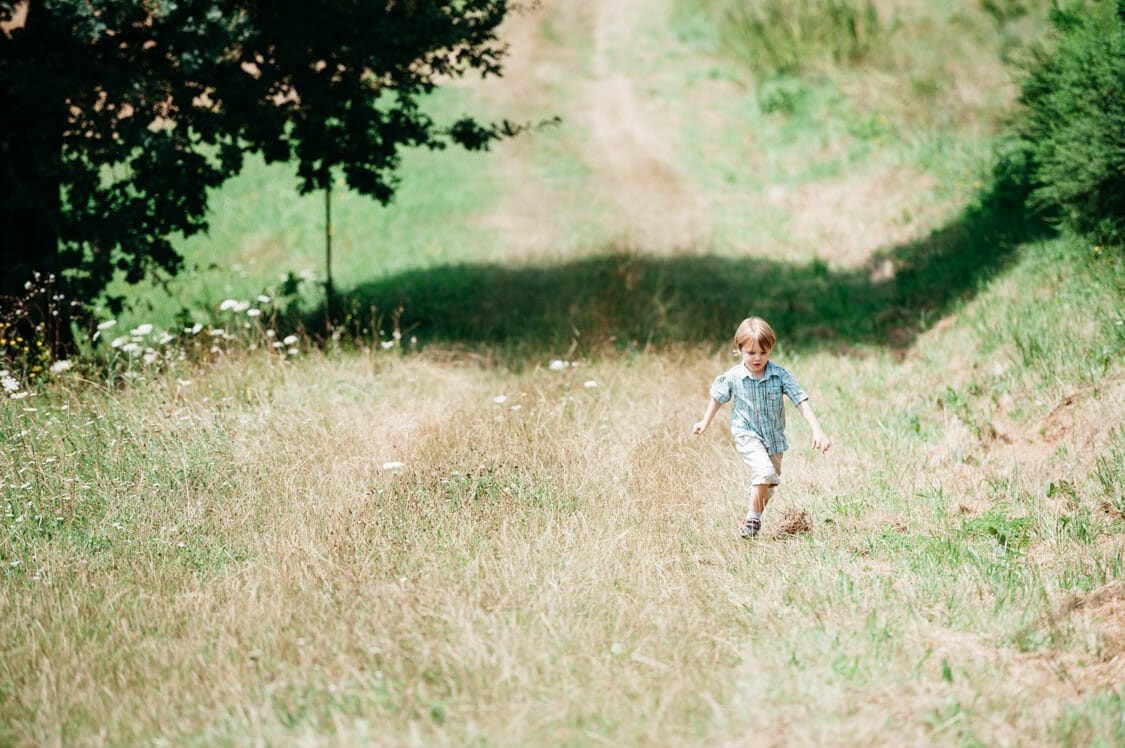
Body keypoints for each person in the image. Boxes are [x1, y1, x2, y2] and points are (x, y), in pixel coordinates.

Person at [692, 317, 831, 538]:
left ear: (771, 349)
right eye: (751, 353)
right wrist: (704, 422)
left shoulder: (779, 375)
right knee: (764, 473)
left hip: (774, 439)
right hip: (747, 434)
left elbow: (800, 399)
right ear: (739, 350)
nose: (757, 358)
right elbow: (718, 397)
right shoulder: (733, 377)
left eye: (763, 353)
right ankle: (753, 523)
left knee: (769, 484)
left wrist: (817, 429)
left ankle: (750, 514)